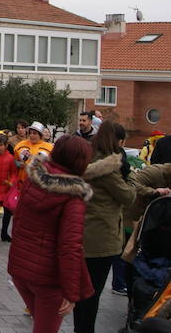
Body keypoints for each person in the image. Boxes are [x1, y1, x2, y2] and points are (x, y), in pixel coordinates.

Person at [6, 135, 95, 333]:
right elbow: (70, 246)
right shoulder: (73, 196)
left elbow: (18, 221)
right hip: (49, 280)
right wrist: (71, 293)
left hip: (22, 270)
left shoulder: (32, 179)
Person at [73, 121, 136, 333]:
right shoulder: (108, 169)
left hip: (83, 232)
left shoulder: (86, 160)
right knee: (93, 292)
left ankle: (79, 328)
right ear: (117, 141)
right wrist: (133, 177)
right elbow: (127, 197)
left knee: (82, 290)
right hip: (102, 238)